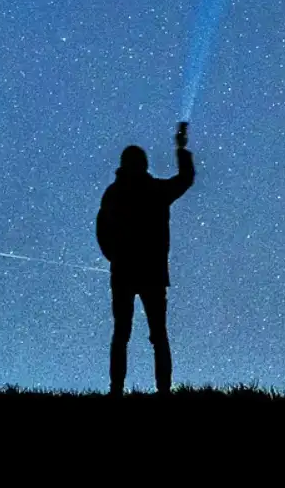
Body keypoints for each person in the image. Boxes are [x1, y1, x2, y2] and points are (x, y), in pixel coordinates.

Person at [95, 122, 195, 396]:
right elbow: (185, 179)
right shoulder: (154, 192)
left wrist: (115, 258)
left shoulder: (114, 193)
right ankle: (162, 391)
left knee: (124, 334)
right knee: (155, 335)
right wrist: (181, 150)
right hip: (149, 272)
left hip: (126, 272)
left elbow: (101, 230)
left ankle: (118, 391)